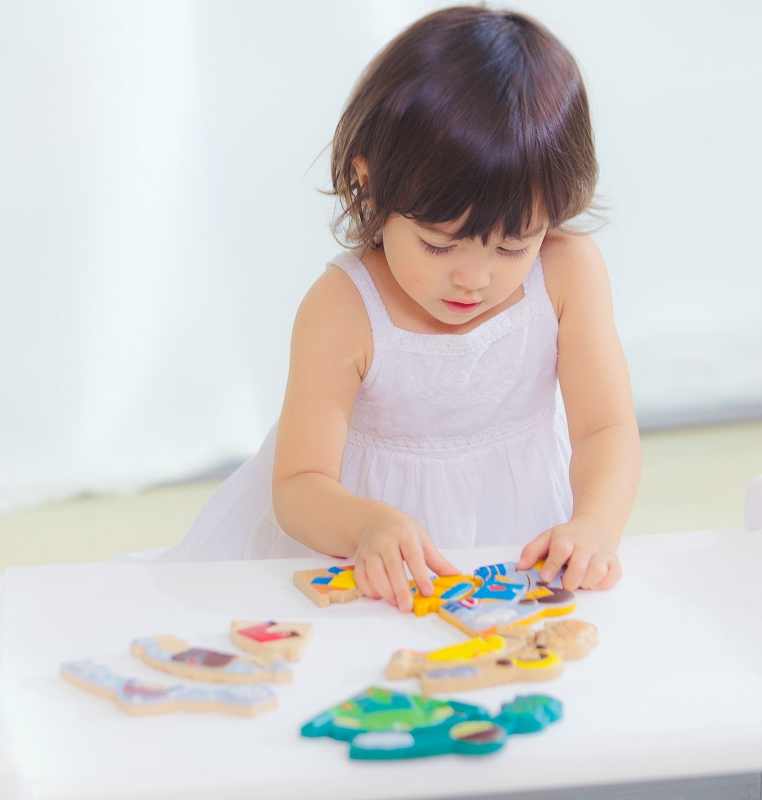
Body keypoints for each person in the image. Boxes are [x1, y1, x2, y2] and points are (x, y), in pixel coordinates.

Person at [158, 5, 641, 611]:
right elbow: (298, 484)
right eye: (439, 243)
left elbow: (606, 428)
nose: (474, 278)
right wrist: (364, 525)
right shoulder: (344, 308)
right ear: (370, 184)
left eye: (513, 246)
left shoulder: (568, 272)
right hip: (355, 547)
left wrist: (595, 524)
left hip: (513, 535)